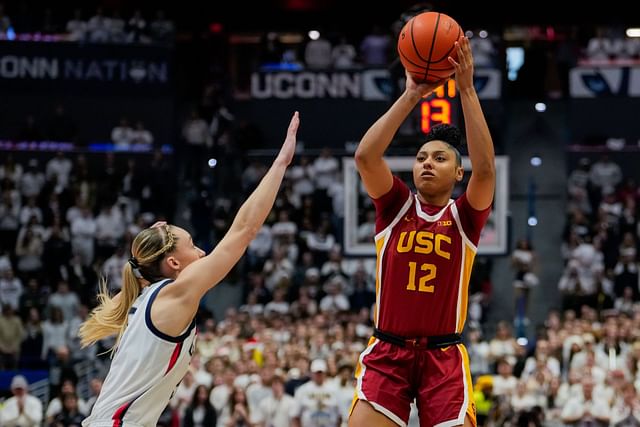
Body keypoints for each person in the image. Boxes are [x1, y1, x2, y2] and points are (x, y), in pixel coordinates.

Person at [79, 112, 300, 427]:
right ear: (173, 263)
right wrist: (280, 164)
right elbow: (244, 231)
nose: (202, 252)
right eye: (193, 245)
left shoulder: (147, 295)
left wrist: (159, 237)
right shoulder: (173, 292)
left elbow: (145, 254)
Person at [349, 37, 495, 427]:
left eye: (440, 158)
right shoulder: (395, 205)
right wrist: (412, 94)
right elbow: (365, 157)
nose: (427, 163)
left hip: (442, 357)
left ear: (457, 173)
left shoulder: (465, 217)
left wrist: (465, 89)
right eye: (421, 157)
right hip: (387, 353)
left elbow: (486, 171)